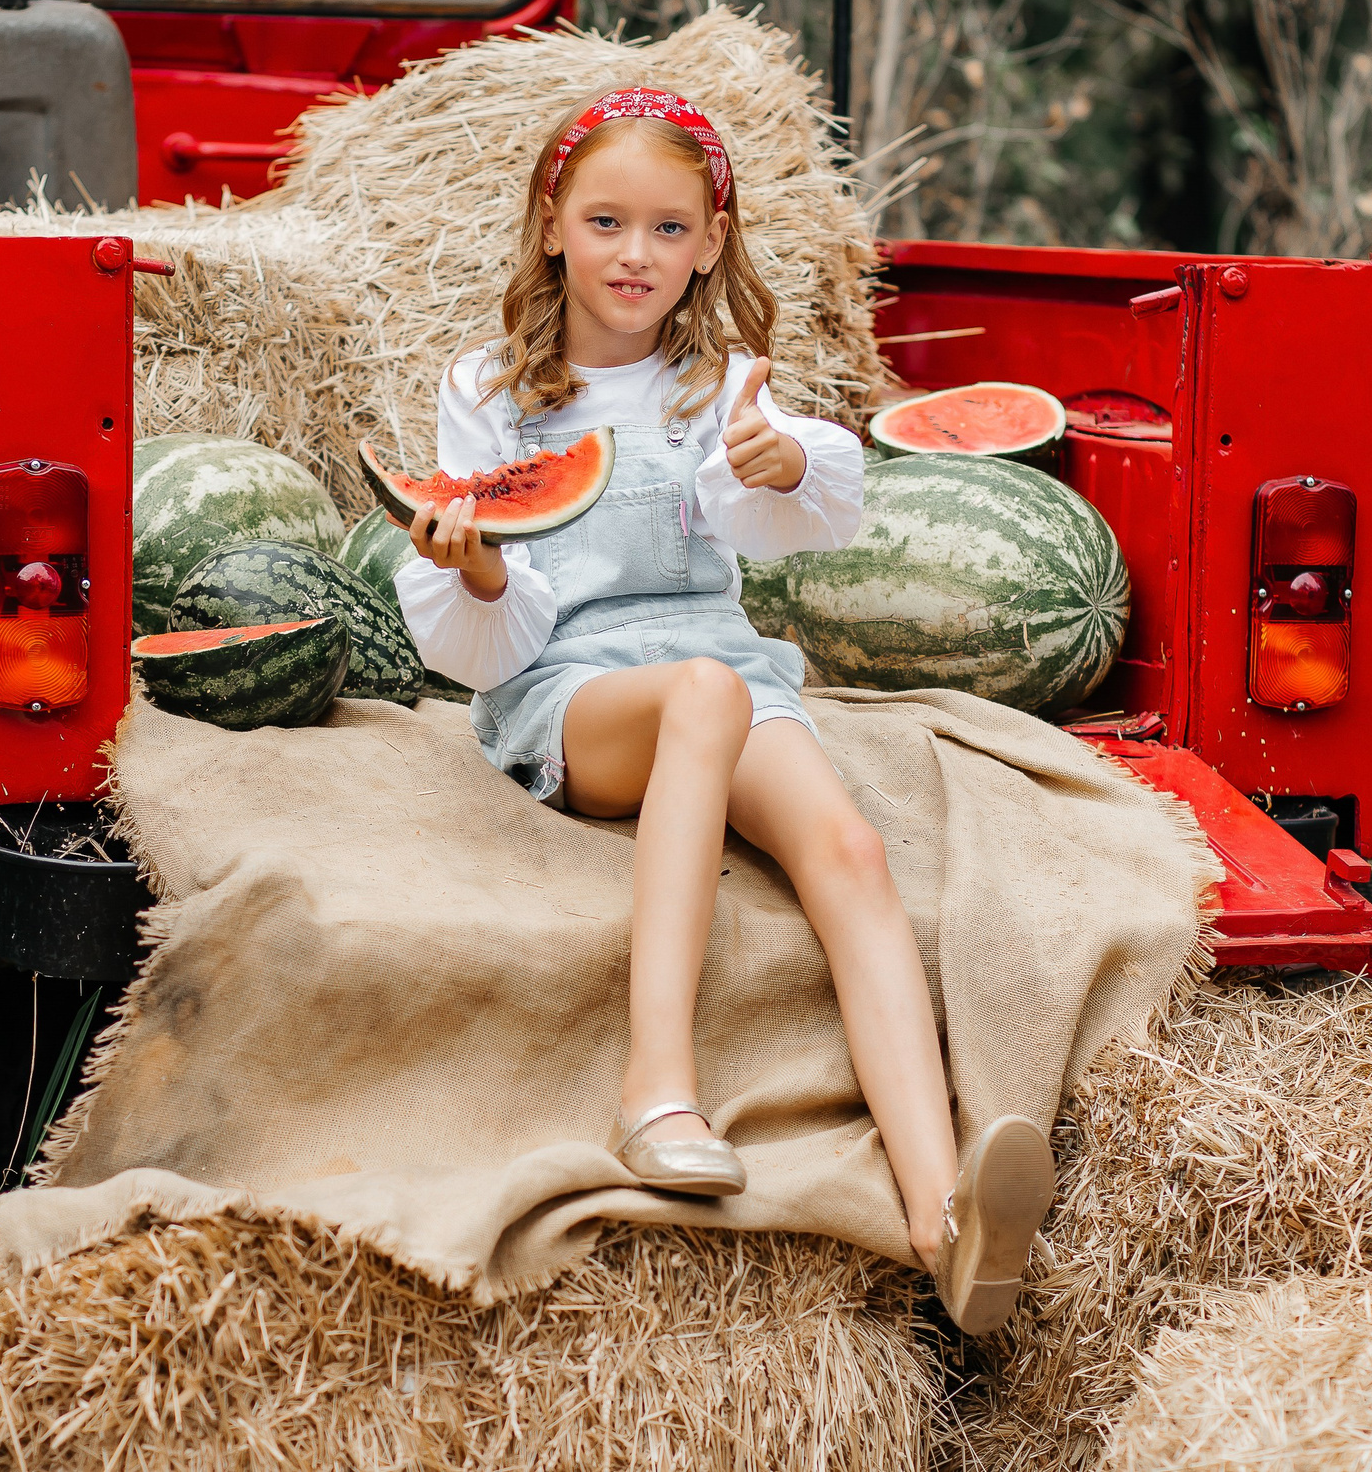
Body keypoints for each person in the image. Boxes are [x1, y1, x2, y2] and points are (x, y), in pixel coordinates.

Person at [392, 85, 1053, 1333]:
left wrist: (786, 460)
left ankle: (942, 1218)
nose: (632, 255)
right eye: (604, 222)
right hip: (570, 689)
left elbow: (786, 514)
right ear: (550, 226)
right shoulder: (490, 387)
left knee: (849, 852)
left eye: (664, 228)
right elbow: (492, 628)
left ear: (708, 243)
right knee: (697, 694)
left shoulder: (722, 381)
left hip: (718, 662)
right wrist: (472, 564)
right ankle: (658, 1090)